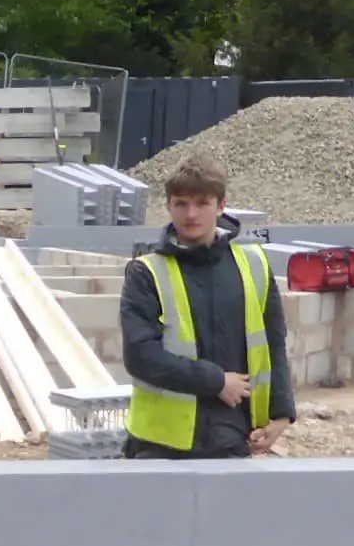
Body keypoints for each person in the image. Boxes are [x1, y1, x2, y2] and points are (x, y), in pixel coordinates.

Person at [120, 155, 296, 459]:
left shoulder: (253, 265)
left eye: (202, 203)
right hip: (159, 443)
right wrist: (216, 381)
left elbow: (272, 342)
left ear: (221, 205)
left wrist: (281, 413)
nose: (191, 214)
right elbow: (140, 357)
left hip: (231, 435)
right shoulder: (146, 272)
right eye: (181, 203)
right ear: (168, 206)